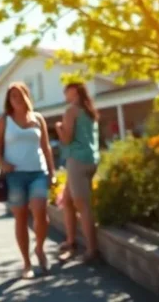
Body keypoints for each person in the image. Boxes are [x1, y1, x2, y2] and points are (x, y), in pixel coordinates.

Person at [0, 82, 56, 279]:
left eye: (20, 94)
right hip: (15, 176)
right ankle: (26, 263)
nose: (17, 99)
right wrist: (3, 164)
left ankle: (40, 249)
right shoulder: (5, 120)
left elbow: (46, 148)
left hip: (38, 172)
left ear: (27, 95)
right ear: (9, 100)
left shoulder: (38, 118)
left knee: (41, 213)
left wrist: (52, 172)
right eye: (13, 96)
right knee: (21, 218)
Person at [55, 83, 100, 263]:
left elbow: (66, 139)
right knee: (67, 200)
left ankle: (92, 250)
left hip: (77, 161)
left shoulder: (71, 110)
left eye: (66, 90)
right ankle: (71, 242)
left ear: (73, 92)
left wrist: (58, 127)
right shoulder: (90, 111)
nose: (64, 93)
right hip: (91, 160)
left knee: (83, 206)